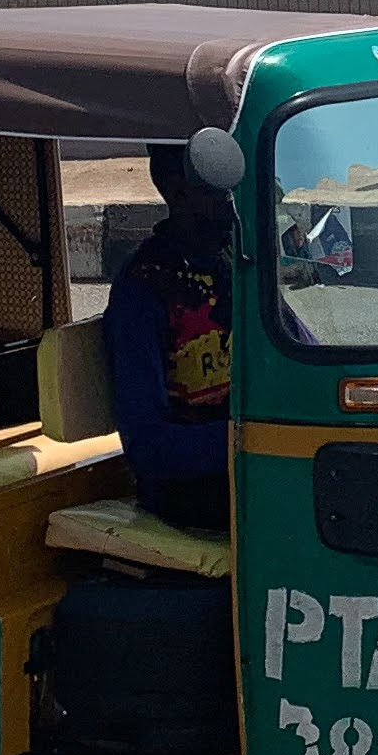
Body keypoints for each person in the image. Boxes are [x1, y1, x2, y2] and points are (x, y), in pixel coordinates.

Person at [103, 143, 238, 534]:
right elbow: (149, 449)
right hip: (189, 490)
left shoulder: (233, 265)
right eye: (220, 194)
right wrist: (250, 438)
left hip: (252, 461)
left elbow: (299, 347)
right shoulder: (143, 290)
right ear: (179, 193)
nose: (232, 208)